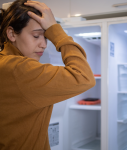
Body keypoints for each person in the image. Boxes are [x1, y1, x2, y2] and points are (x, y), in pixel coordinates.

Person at [0, 0, 96, 149]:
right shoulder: (19, 69)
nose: (44, 44)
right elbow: (84, 77)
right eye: (36, 36)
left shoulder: (6, 64)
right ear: (12, 34)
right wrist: (55, 30)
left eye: (46, 37)